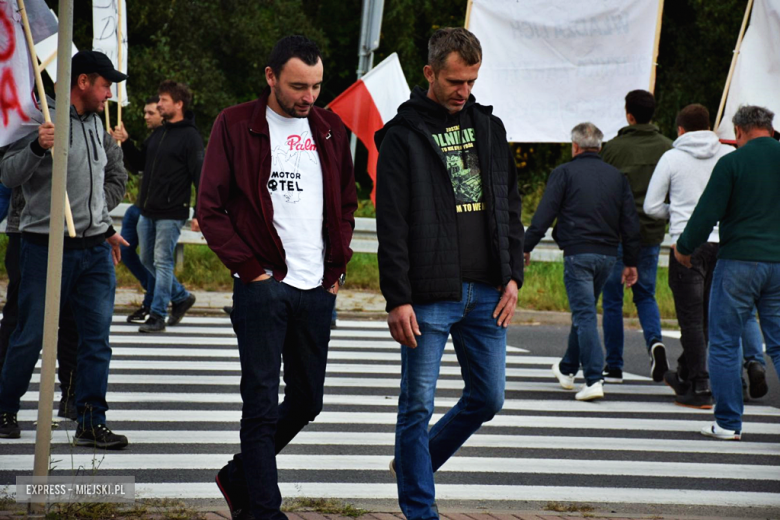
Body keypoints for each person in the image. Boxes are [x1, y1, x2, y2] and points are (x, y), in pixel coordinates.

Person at [198, 36, 356, 520]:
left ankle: (240, 474)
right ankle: (264, 511)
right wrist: (252, 272)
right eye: (298, 86)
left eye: (316, 85)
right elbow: (210, 208)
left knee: (308, 400)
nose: (309, 97)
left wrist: (336, 271)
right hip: (264, 287)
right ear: (270, 77)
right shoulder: (235, 124)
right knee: (262, 405)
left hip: (316, 289)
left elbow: (346, 205)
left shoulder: (330, 128)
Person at [375, 28, 524, 520]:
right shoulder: (401, 135)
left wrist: (514, 276)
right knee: (416, 405)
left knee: (489, 397)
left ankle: (414, 464)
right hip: (429, 294)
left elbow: (509, 204)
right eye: (455, 81)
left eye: (472, 81)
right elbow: (391, 223)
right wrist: (397, 297)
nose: (464, 91)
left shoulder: (489, 126)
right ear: (430, 74)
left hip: (488, 290)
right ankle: (421, 509)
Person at [0, 51, 129, 449]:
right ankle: (4, 408)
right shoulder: (41, 117)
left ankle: (91, 420)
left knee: (96, 338)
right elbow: (8, 174)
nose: (110, 93)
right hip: (45, 245)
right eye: (106, 84)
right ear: (84, 81)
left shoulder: (96, 125)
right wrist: (38, 148)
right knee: (31, 334)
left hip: (94, 249)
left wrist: (98, 218)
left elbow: (108, 179)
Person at [644, 103, 766, 408]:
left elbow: (650, 206)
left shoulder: (671, 158)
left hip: (687, 245)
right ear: (709, 125)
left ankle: (699, 386)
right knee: (718, 319)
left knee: (691, 320)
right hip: (724, 245)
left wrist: (678, 214)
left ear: (680, 130)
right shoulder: (728, 154)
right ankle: (712, 377)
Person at [675, 105, 780, 441]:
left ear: (738, 132)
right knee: (778, 345)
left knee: (723, 342)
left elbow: (708, 212)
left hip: (739, 263)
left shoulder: (732, 162)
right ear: (771, 129)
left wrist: (685, 247)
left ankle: (728, 423)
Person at [524, 123, 640, 401]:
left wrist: (524, 247)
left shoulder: (564, 173)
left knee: (585, 315)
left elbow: (544, 215)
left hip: (578, 254)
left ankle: (593, 378)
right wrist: (632, 261)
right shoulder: (616, 177)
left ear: (574, 146)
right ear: (600, 147)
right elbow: (630, 222)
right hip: (608, 257)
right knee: (584, 312)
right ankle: (566, 369)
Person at [112, 80, 202, 332]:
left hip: (172, 212)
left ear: (178, 104)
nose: (159, 104)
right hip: (147, 210)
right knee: (147, 259)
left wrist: (201, 213)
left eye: (163, 100)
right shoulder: (158, 134)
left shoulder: (190, 137)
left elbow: (200, 175)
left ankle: (157, 315)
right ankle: (182, 297)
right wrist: (126, 142)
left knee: (162, 262)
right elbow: (141, 164)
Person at [600, 89, 673, 383]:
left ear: (629, 114)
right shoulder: (668, 148)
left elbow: (603, 191)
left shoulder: (615, 148)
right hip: (652, 234)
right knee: (645, 294)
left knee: (613, 300)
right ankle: (654, 342)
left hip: (617, 234)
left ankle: (614, 365)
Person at [114, 96, 164, 323]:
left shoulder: (169, 140)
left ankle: (152, 301)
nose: (145, 117)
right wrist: (125, 142)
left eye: (150, 113)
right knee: (127, 251)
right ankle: (172, 294)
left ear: (163, 113)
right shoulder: (152, 138)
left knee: (153, 260)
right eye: (145, 112)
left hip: (155, 210)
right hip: (138, 207)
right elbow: (137, 165)